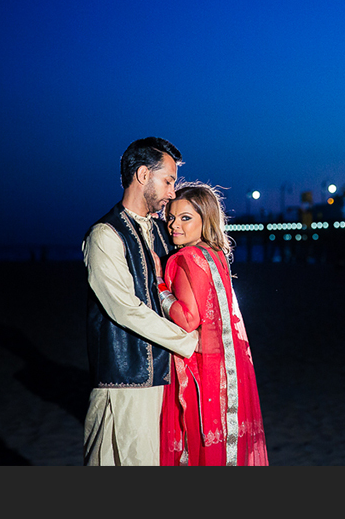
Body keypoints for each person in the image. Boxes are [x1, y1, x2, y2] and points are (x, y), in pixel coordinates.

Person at [82, 137, 200, 466]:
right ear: (144, 175)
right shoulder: (104, 235)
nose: (172, 193)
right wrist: (189, 343)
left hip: (166, 379)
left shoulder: (162, 231)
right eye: (168, 181)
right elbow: (124, 308)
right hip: (124, 382)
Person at [158, 183, 268, 466]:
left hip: (201, 370)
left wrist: (159, 286)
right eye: (171, 217)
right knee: (223, 445)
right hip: (228, 366)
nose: (173, 225)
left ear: (205, 220)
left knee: (197, 445)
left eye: (185, 218)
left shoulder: (186, 257)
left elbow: (188, 319)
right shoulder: (215, 253)